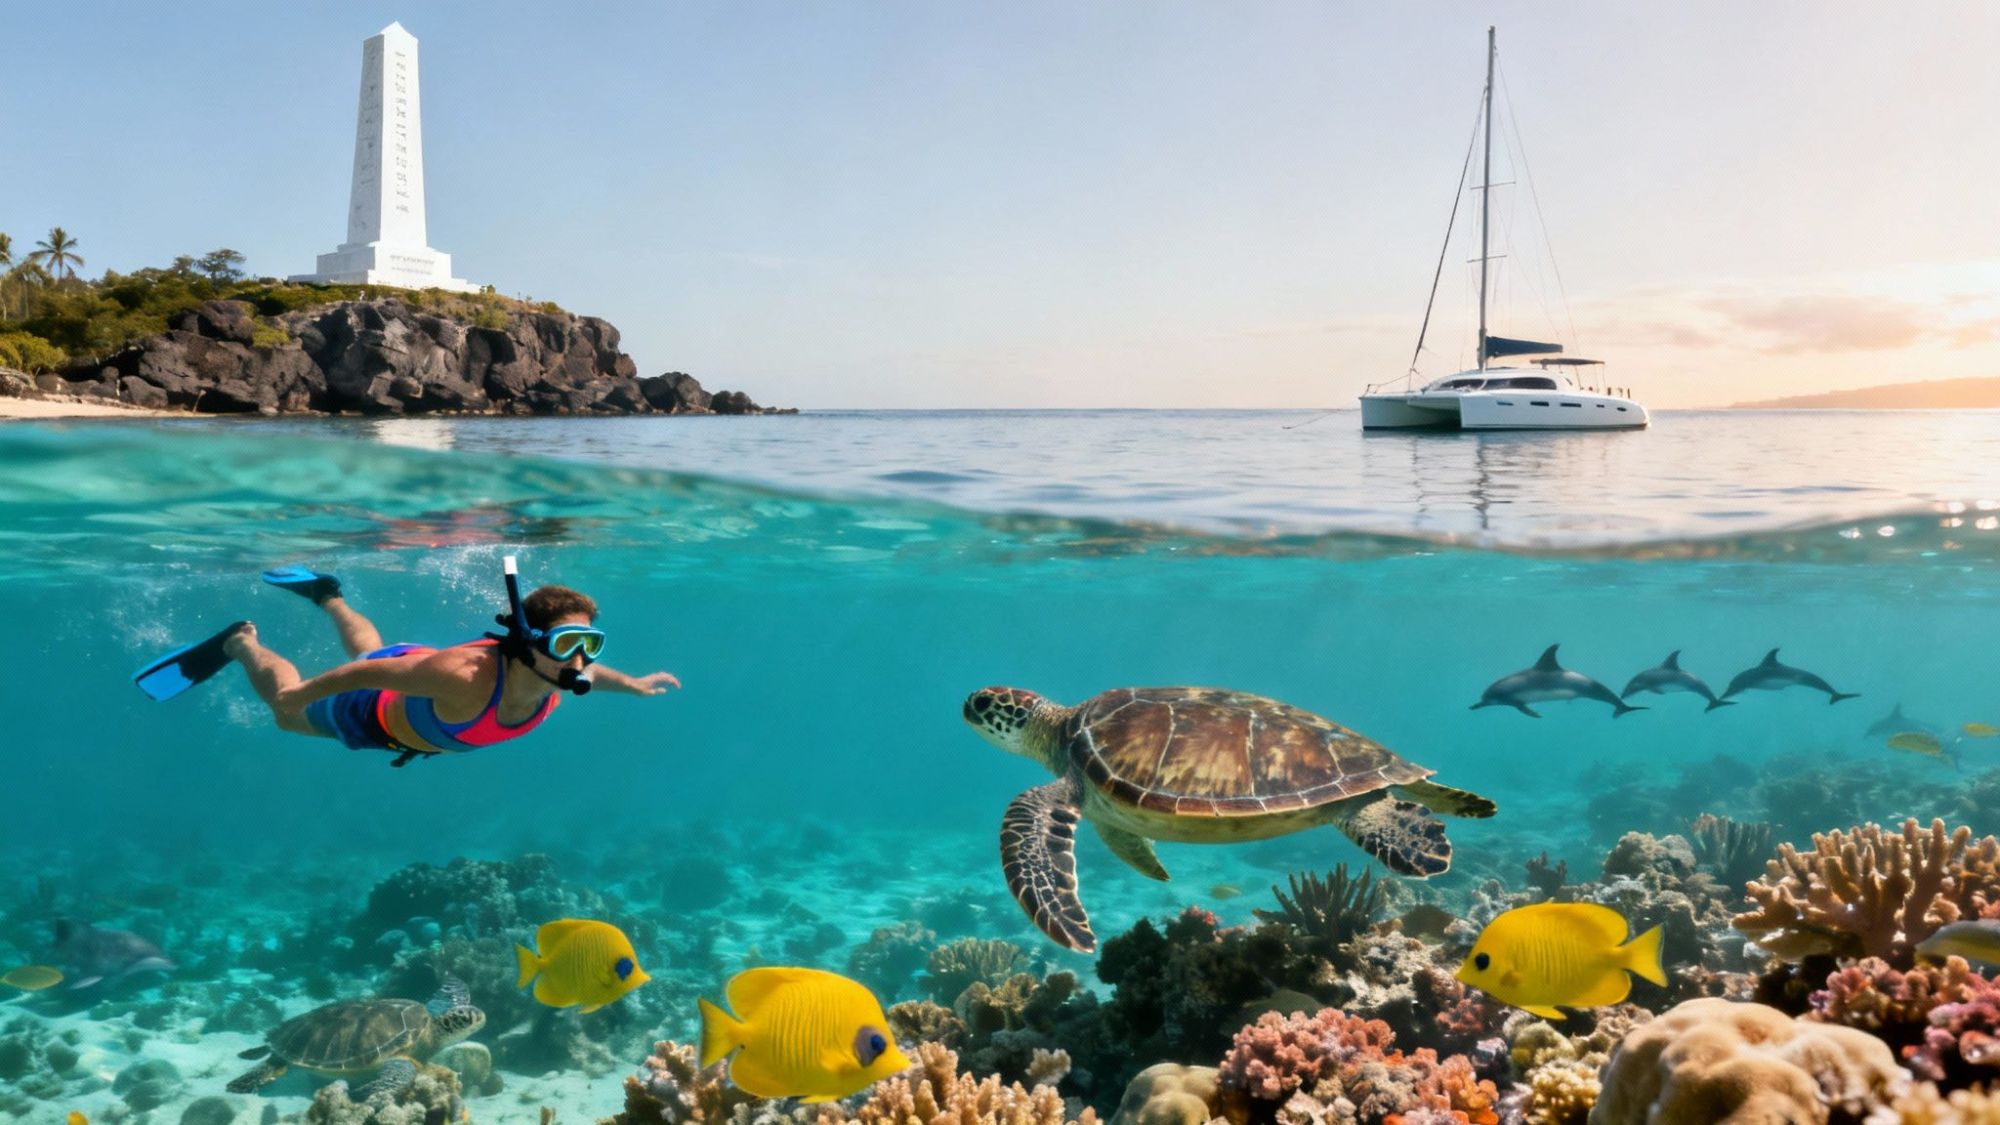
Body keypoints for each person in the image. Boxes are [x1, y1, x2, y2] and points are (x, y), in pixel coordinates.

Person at [133, 559, 678, 767]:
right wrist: (298, 697)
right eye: (564, 645)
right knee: (284, 712)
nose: (579, 661)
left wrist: (631, 683)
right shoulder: (462, 676)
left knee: (372, 646)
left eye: (590, 644)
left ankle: (328, 594)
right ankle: (241, 643)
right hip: (376, 706)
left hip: (414, 683)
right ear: (526, 642)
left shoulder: (561, 672)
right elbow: (360, 676)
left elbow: (589, 673)